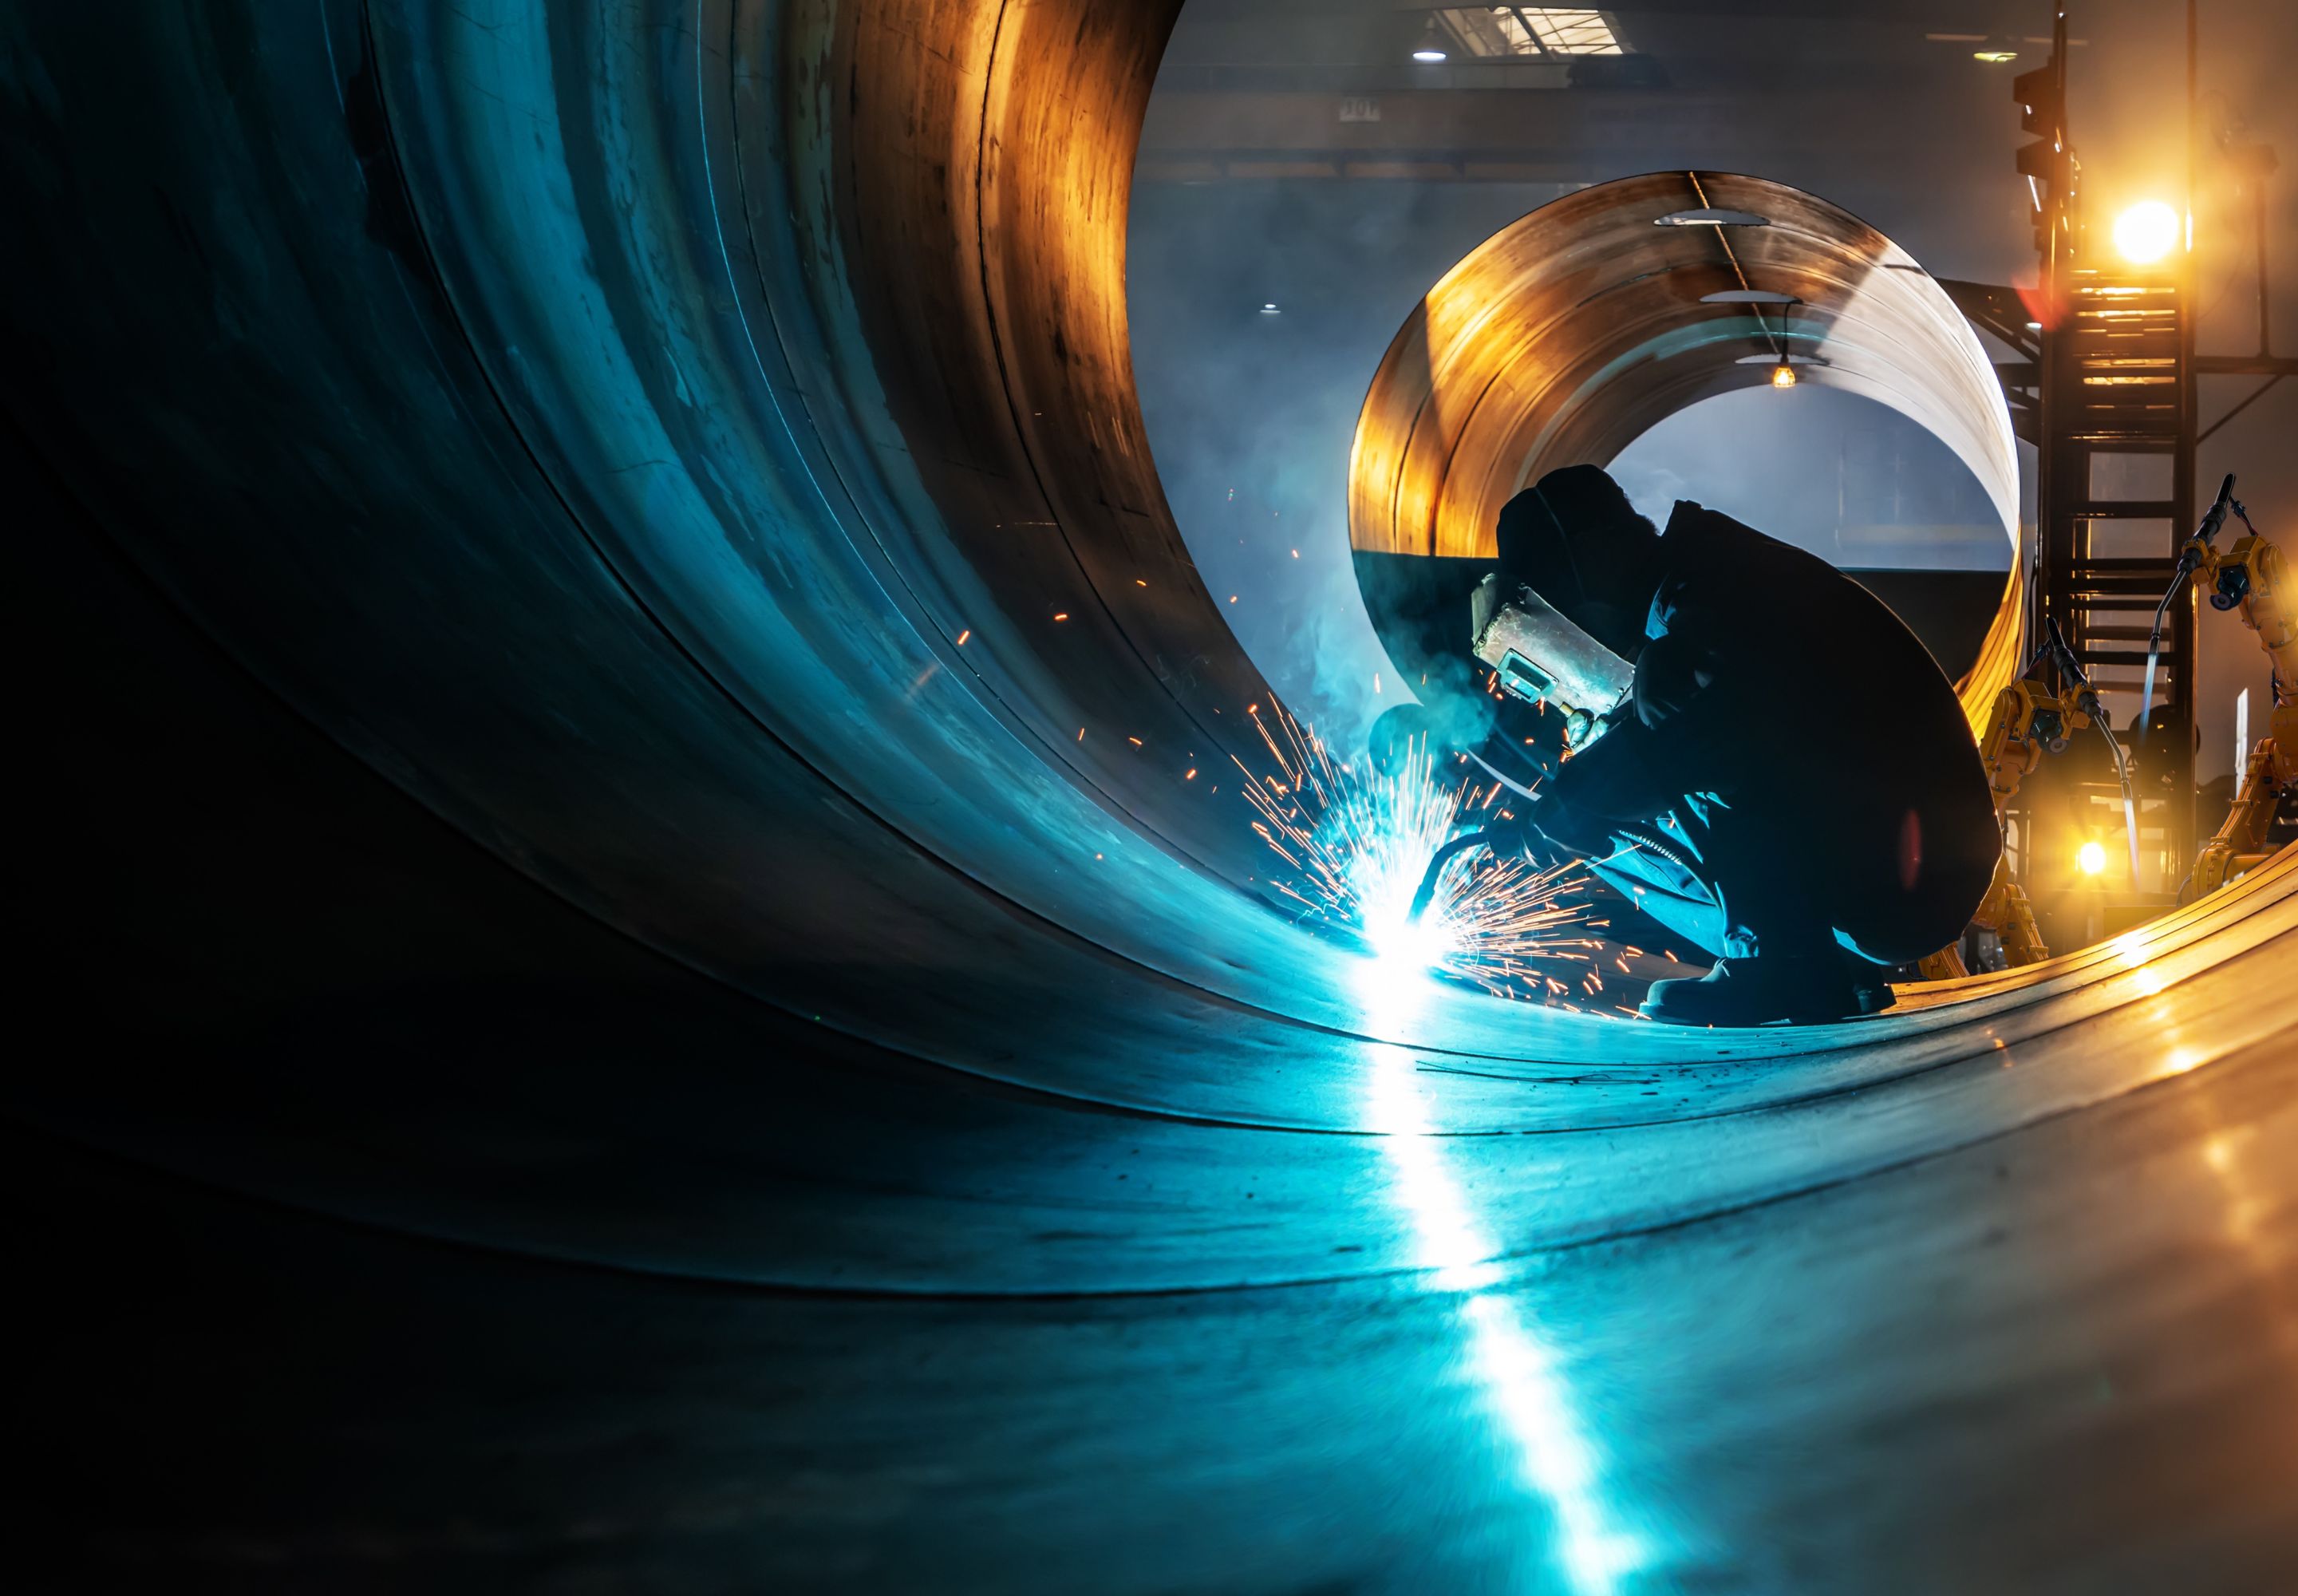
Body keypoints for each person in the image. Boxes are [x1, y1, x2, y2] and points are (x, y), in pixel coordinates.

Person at [1453, 464, 1997, 1025]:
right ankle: (1820, 961)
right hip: (1905, 865)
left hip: (1911, 874)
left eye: (1563, 598)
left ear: (1594, 552)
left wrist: (1583, 794)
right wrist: (1582, 800)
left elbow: (1718, 735)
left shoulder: (1714, 593)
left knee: (1641, 740)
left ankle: (1778, 962)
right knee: (1602, 811)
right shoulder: (1702, 582)